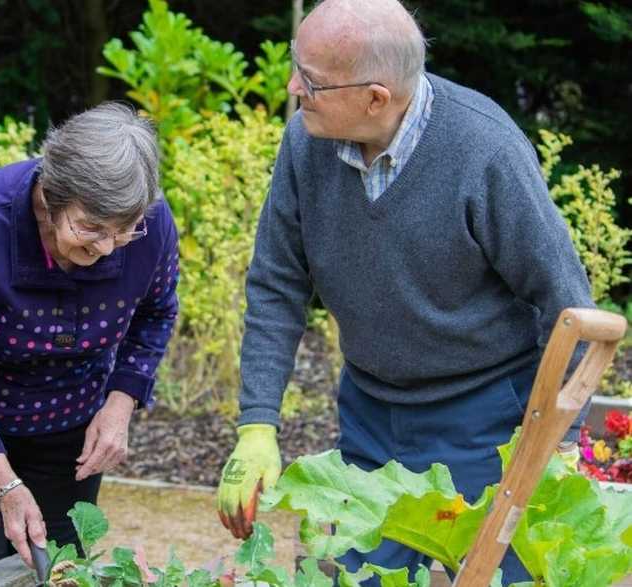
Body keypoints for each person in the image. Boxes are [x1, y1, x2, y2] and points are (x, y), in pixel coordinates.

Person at [214, 0, 592, 583]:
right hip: (371, 412)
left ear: (376, 97)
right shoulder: (305, 142)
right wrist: (257, 425)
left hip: (487, 417)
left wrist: (556, 441)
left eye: (311, 81)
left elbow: (566, 304)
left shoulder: (485, 150)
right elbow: (277, 284)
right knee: (355, 576)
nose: (293, 88)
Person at [0, 102, 180, 574]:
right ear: (50, 195)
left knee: (61, 569)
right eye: (90, 228)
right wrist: (5, 485)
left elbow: (156, 313)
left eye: (123, 231)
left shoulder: (150, 223)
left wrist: (120, 403)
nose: (106, 248)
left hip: (66, 419)